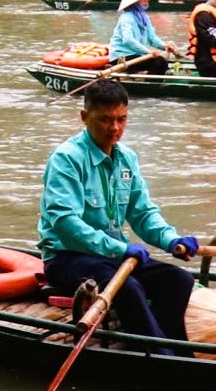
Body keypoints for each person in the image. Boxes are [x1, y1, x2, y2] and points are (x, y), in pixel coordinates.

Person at [37, 78, 200, 341]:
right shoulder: (66, 159)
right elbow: (65, 224)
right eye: (105, 119)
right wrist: (120, 249)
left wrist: (172, 240)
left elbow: (142, 213)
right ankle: (155, 353)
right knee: (129, 287)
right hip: (66, 257)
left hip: (110, 256)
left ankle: (171, 347)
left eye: (121, 119)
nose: (114, 128)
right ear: (84, 116)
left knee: (179, 280)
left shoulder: (126, 158)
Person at [107, 0, 175, 75]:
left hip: (137, 55)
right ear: (135, 2)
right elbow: (128, 39)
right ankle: (151, 85)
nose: (146, 1)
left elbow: (151, 37)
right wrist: (148, 52)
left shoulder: (144, 18)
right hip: (122, 56)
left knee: (162, 62)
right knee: (158, 62)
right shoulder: (126, 17)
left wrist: (164, 46)